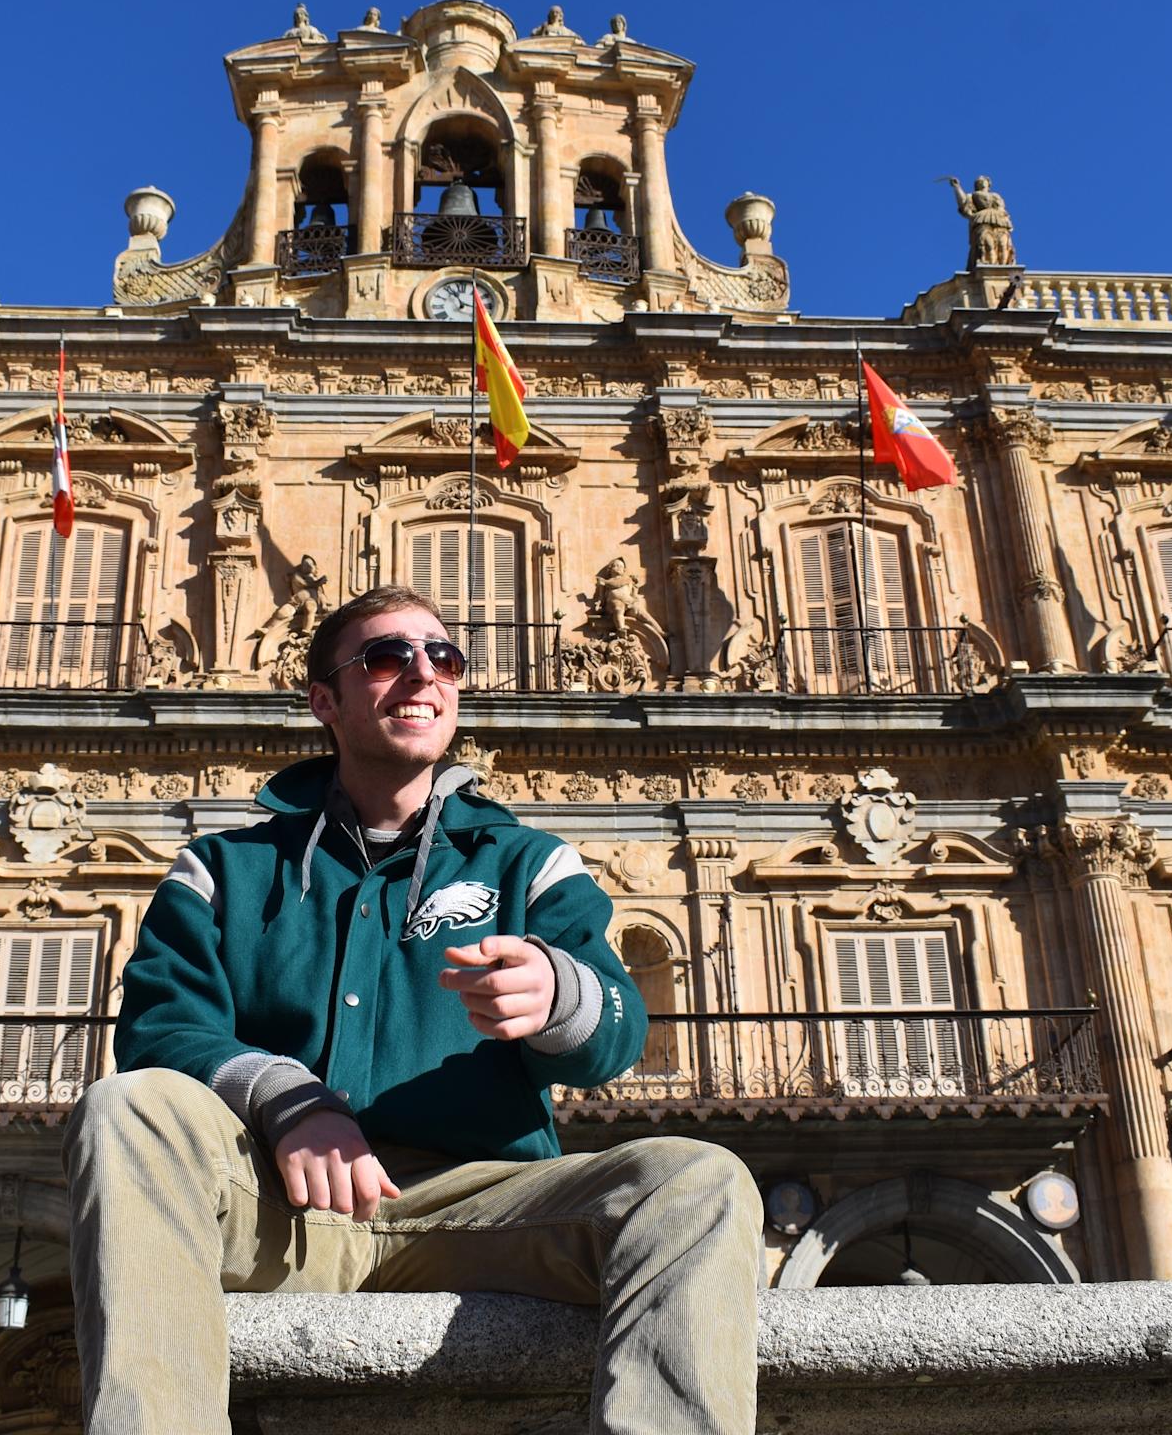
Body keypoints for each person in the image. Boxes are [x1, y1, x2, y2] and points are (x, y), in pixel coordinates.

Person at [66, 584, 761, 1433]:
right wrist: (284, 1099)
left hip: (482, 1208)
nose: (421, 675)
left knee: (701, 1181)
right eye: (387, 658)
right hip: (279, 1209)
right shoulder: (222, 869)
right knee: (127, 1106)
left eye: (444, 657)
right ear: (325, 699)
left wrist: (558, 994)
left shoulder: (527, 863)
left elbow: (616, 1030)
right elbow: (160, 1029)